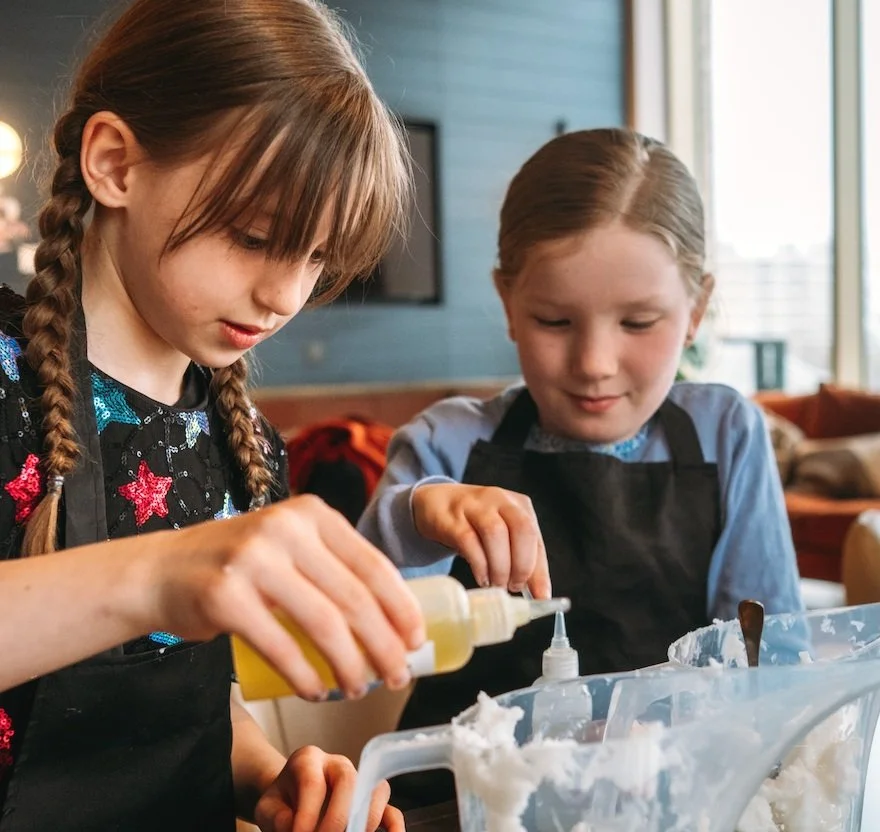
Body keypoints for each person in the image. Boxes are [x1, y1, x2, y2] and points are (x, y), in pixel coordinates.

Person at [0, 0, 424, 829]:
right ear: (116, 163)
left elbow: (189, 705)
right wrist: (161, 577)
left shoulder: (239, 441)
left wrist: (268, 775)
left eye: (317, 259)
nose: (286, 295)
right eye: (254, 235)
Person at [358, 127, 804, 808]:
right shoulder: (450, 444)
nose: (594, 362)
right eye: (555, 321)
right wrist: (423, 512)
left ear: (696, 311)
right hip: (453, 803)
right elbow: (359, 629)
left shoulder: (725, 434)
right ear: (508, 303)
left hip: (663, 802)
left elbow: (764, 657)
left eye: (637, 322)